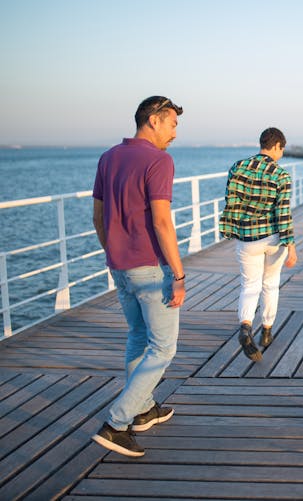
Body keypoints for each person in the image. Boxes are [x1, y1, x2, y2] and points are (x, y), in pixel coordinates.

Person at [91, 96, 186, 457]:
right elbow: (162, 221)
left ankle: (143, 408)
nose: (175, 133)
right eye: (173, 124)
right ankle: (116, 422)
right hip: (149, 267)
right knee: (164, 347)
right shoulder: (159, 160)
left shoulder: (108, 157)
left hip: (119, 266)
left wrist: (111, 253)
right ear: (154, 121)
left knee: (138, 336)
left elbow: (98, 217)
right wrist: (178, 274)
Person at [219, 127, 297, 362]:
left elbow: (230, 201)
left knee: (249, 285)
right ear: (276, 146)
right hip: (273, 239)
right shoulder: (281, 175)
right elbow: (283, 214)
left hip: (246, 239)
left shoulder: (238, 167)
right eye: (281, 149)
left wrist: (231, 229)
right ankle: (266, 331)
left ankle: (245, 327)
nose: (281, 153)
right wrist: (291, 246)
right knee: (270, 285)